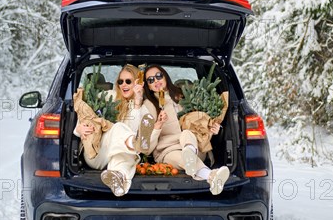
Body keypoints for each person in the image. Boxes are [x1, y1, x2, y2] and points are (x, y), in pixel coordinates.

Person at [143, 65, 230, 195]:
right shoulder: (149, 106)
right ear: (148, 86)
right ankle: (211, 175)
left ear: (165, 76)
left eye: (158, 76)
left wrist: (211, 129)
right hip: (168, 151)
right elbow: (147, 148)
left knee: (186, 133)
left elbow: (200, 125)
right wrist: (158, 125)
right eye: (150, 80)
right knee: (181, 157)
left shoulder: (184, 97)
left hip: (195, 145)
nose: (155, 81)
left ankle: (189, 153)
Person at [74, 64, 155, 197]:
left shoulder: (142, 108)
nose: (124, 85)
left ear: (137, 83)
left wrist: (137, 102)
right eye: (120, 81)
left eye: (128, 81)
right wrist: (78, 128)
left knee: (125, 155)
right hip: (96, 152)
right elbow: (86, 111)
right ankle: (134, 143)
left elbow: (134, 129)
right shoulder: (107, 97)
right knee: (120, 131)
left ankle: (119, 180)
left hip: (119, 156)